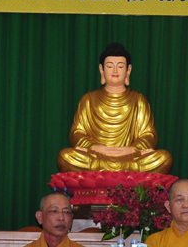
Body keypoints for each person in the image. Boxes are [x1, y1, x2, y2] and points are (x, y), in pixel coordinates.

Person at [57, 42, 172, 173]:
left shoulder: (138, 100)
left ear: (128, 70)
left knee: (164, 158)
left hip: (128, 156)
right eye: (110, 66)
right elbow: (76, 133)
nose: (115, 71)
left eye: (120, 66)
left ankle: (104, 174)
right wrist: (95, 148)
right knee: (64, 157)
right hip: (96, 156)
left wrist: (131, 149)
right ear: (102, 69)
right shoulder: (88, 99)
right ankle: (122, 175)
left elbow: (149, 136)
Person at [4, 193, 102, 247]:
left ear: (71, 218)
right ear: (40, 217)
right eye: (54, 211)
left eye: (66, 212)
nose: (61, 217)